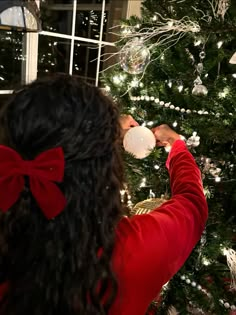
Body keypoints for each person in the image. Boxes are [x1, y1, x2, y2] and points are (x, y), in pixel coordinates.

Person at [0, 74, 208, 315]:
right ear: (105, 168)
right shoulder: (136, 250)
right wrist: (177, 145)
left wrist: (103, 138)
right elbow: (192, 203)